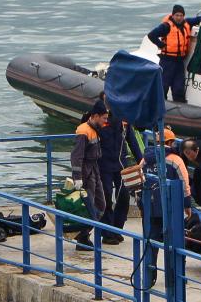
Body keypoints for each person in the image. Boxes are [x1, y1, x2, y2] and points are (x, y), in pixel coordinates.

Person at [139, 127, 192, 287]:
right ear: (170, 142)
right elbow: (185, 185)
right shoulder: (176, 160)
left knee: (150, 243)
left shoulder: (145, 160)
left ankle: (149, 276)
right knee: (175, 244)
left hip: (150, 208)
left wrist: (141, 205)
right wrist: (187, 205)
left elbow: (138, 181)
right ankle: (174, 277)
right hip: (171, 209)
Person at [97, 97, 143, 245]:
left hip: (121, 164)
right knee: (106, 197)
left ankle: (117, 229)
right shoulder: (99, 119)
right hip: (103, 164)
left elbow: (132, 140)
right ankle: (107, 232)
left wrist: (141, 160)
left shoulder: (124, 118)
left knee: (124, 196)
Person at [71, 100, 108, 250]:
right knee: (88, 208)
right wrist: (77, 178)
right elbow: (76, 157)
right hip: (85, 173)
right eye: (104, 118)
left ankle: (83, 233)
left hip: (94, 170)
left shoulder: (96, 129)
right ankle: (83, 237)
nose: (105, 121)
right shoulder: (83, 131)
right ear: (96, 116)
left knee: (101, 205)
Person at [147, 5, 201, 102]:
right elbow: (151, 35)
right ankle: (160, 104)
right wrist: (161, 45)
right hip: (167, 61)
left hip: (179, 62)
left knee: (179, 87)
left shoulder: (187, 23)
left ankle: (179, 104)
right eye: (177, 15)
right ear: (173, 15)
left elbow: (200, 18)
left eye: (181, 15)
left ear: (183, 16)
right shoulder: (166, 26)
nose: (179, 18)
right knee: (163, 86)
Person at [179, 137, 201, 213]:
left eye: (189, 153)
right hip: (200, 168)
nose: (188, 156)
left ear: (197, 151)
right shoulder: (183, 149)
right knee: (192, 185)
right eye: (186, 153)